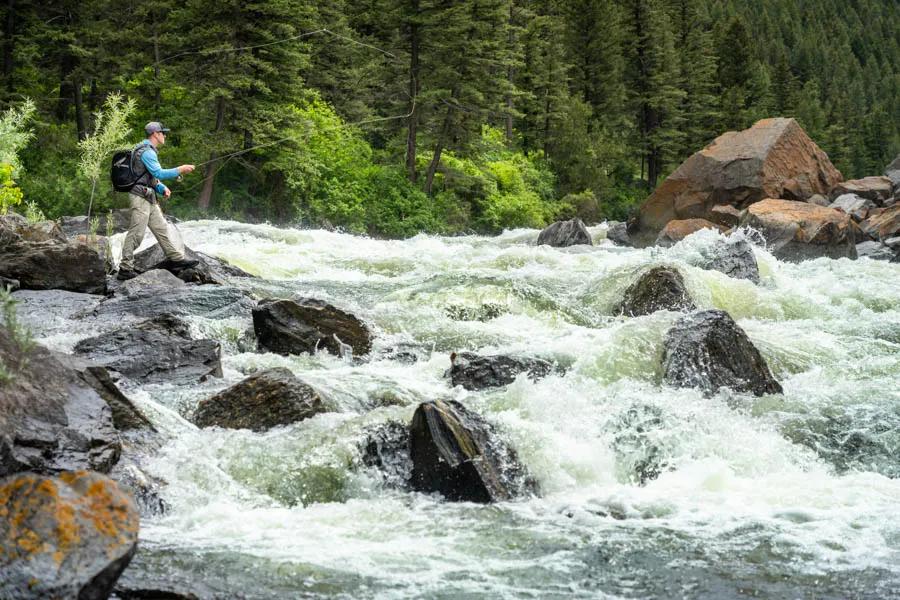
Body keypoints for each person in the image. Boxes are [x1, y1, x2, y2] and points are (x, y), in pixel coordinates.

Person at [117, 121, 198, 280]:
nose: (165, 135)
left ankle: (176, 260)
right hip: (140, 197)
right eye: (163, 133)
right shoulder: (147, 152)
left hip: (148, 195)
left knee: (162, 228)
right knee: (136, 234)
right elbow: (159, 173)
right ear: (155, 134)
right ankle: (125, 269)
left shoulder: (145, 150)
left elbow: (149, 176)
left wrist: (161, 188)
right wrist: (180, 169)